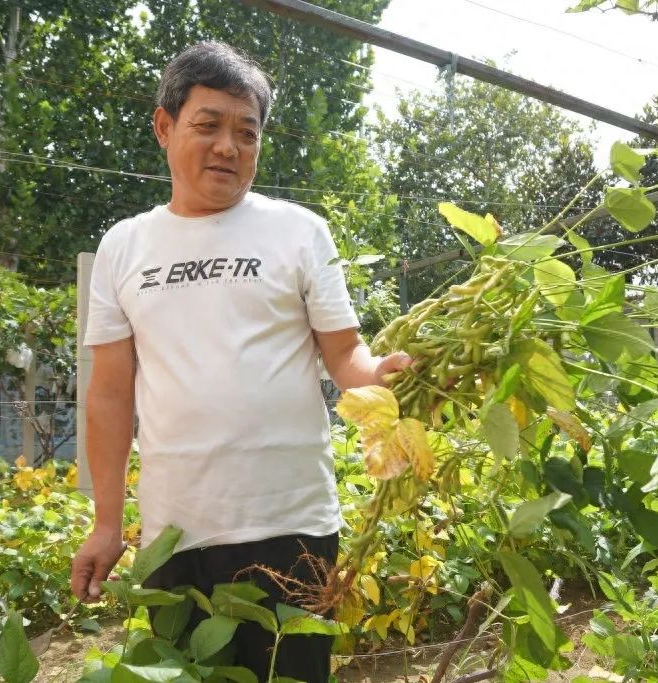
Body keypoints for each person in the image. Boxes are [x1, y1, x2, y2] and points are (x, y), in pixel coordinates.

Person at [69, 41, 411, 682]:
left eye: (246, 133)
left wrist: (378, 375)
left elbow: (344, 353)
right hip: (178, 535)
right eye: (209, 125)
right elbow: (110, 393)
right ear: (165, 126)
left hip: (294, 525)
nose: (229, 146)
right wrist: (107, 525)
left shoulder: (300, 231)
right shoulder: (123, 247)